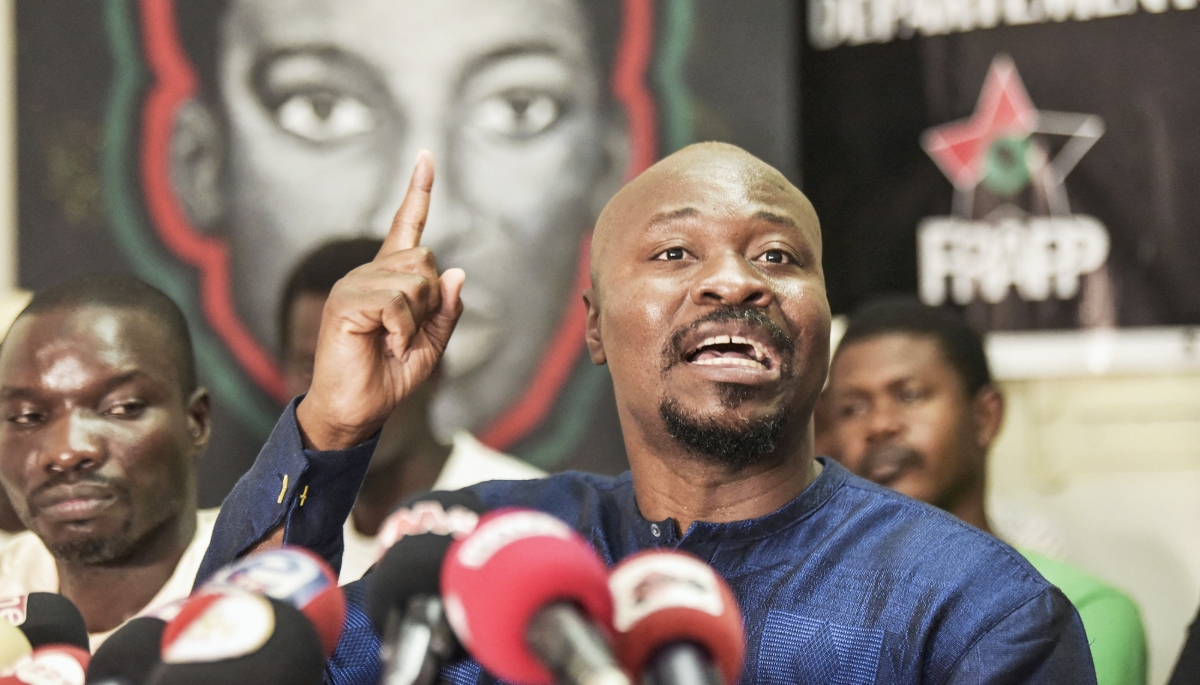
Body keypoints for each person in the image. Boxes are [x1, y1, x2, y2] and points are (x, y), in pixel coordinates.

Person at [199, 145, 1096, 682]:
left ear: (825, 325)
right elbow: (231, 663)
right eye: (675, 250)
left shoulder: (972, 604)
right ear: (593, 326)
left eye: (779, 255)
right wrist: (331, 425)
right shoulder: (487, 551)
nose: (736, 280)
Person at [170, 0, 629, 468]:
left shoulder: (546, 533)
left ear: (608, 166)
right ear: (201, 163)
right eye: (320, 109)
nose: (435, 226)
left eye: (519, 108)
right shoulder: (246, 536)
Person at [817, 295, 1147, 685]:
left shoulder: (1081, 608)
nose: (880, 424)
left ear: (985, 416)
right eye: (852, 408)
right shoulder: (811, 609)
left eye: (909, 395)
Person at [279, 238, 543, 582]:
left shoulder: (527, 518)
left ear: (433, 367)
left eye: (375, 357)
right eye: (313, 367)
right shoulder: (273, 545)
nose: (348, 392)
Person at [0, 275, 216, 648]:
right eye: (28, 417)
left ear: (195, 422)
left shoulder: (271, 605)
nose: (66, 452)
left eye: (121, 408)